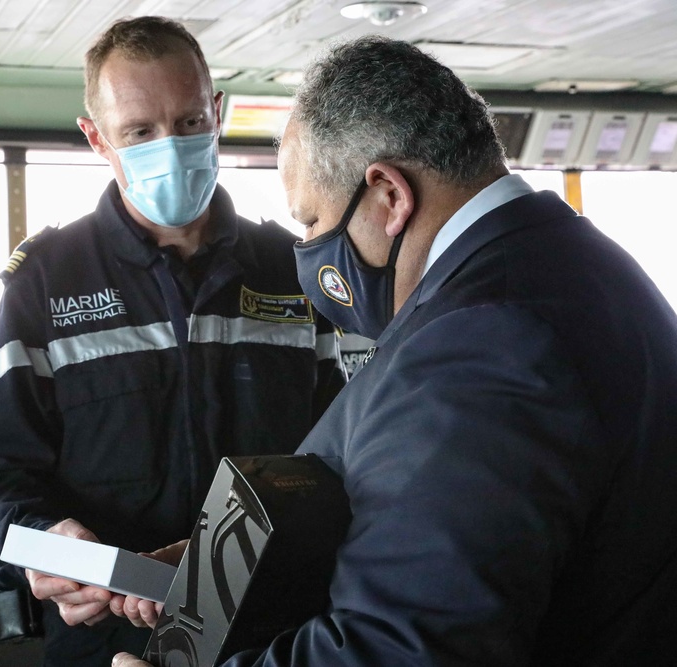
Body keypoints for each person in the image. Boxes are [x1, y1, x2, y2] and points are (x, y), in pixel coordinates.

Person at [110, 35, 677, 666]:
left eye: (312, 223)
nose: (309, 248)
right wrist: (232, 565)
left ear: (388, 196)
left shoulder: (481, 338)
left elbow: (404, 647)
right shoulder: (569, 261)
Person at [0, 15, 345, 667]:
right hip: (107, 636)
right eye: (140, 131)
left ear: (216, 112)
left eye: (189, 122)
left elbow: (340, 458)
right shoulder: (46, 280)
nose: (171, 146)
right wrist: (48, 547)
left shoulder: (293, 267)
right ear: (97, 139)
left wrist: (228, 552)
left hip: (277, 633)